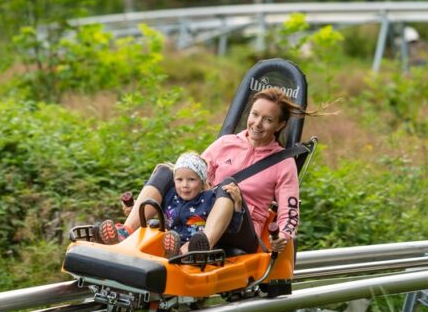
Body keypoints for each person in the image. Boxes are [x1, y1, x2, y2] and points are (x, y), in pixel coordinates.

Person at [104, 87, 313, 256]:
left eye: (267, 120)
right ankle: (128, 229)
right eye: (255, 115)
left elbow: (290, 212)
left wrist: (284, 236)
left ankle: (195, 250)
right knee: (167, 170)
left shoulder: (283, 163)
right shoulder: (226, 143)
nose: (257, 124)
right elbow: (193, 175)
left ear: (280, 125)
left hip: (241, 229)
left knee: (228, 185)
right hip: (200, 215)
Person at [96, 151, 244, 258]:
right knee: (163, 235)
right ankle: (122, 235)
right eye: (179, 180)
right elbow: (153, 208)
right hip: (169, 241)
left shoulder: (209, 199)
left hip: (194, 245)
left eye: (191, 180)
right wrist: (135, 207)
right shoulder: (170, 196)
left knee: (187, 244)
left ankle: (187, 253)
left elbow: (230, 227)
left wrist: (236, 206)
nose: (184, 185)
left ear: (202, 182)